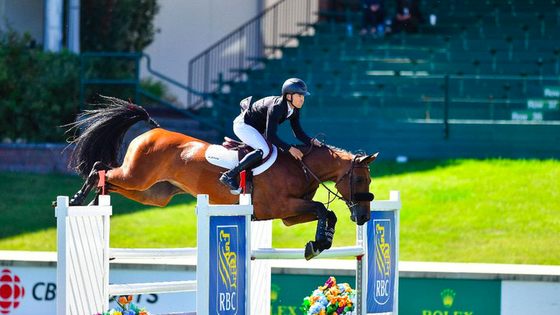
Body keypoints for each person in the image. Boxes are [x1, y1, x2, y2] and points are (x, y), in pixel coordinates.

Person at [219, 78, 323, 194]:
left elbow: (298, 133)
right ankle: (229, 175)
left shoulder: (294, 110)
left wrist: (311, 141)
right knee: (264, 149)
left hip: (256, 128)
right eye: (299, 96)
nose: (302, 100)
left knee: (273, 151)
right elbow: (271, 137)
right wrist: (290, 149)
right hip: (243, 125)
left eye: (303, 97)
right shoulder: (276, 108)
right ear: (289, 96)